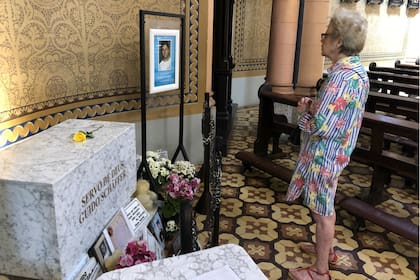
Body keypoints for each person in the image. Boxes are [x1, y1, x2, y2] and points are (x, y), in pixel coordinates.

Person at [286, 7, 369, 280]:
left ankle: (320, 271)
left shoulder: (341, 77)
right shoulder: (355, 71)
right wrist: (314, 105)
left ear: (339, 42)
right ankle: (327, 250)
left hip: (326, 153)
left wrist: (302, 116)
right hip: (337, 150)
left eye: (327, 34)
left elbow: (322, 126)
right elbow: (338, 113)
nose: (322, 38)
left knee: (322, 210)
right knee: (322, 205)